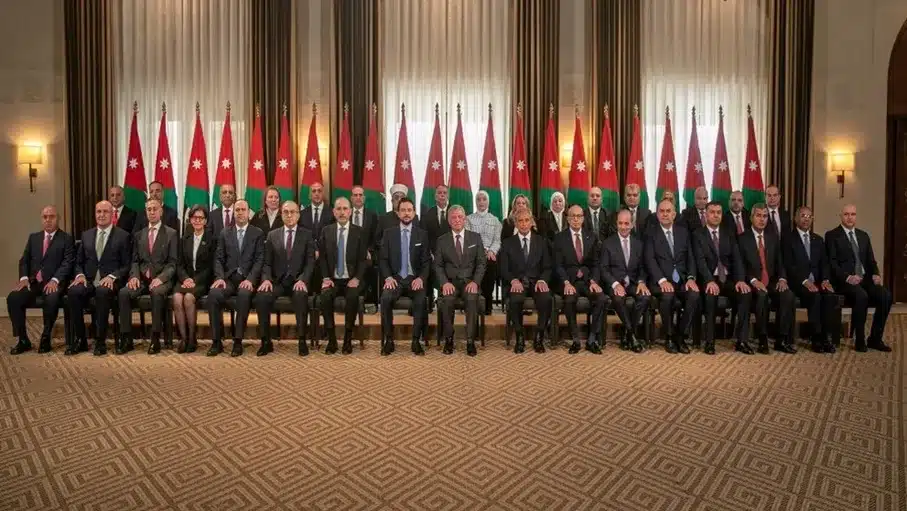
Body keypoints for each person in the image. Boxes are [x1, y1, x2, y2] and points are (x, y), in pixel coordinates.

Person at [8, 205, 75, 355]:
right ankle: (23, 339)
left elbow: (68, 263)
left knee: (51, 297)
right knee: (13, 298)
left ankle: (46, 336)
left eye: (52, 216)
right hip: (33, 283)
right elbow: (24, 261)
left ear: (58, 219)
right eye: (45, 217)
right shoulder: (34, 238)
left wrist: (55, 280)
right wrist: (24, 278)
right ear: (41, 219)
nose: (48, 220)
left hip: (55, 283)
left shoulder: (66, 239)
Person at [825, 204, 892, 352]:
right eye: (846, 214)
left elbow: (871, 261)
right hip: (844, 281)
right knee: (861, 296)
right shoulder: (832, 235)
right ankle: (860, 339)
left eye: (853, 214)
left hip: (864, 279)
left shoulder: (863, 236)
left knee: (885, 295)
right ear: (841, 216)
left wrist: (876, 274)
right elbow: (832, 264)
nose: (850, 217)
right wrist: (848, 277)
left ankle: (875, 339)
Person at [67, 201, 131, 356]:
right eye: (98, 212)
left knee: (102, 292)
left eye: (105, 212)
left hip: (111, 282)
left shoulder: (123, 236)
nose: (101, 215)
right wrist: (80, 275)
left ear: (112, 214)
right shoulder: (86, 235)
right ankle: (80, 339)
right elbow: (78, 262)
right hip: (88, 280)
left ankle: (100, 341)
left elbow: (127, 265)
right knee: (74, 292)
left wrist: (112, 276)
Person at [117, 198, 179, 355]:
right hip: (142, 279)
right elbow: (135, 261)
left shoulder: (171, 234)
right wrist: (134, 276)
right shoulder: (139, 235)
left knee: (157, 293)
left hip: (162, 279)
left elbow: (172, 264)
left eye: (154, 209)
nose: (151, 212)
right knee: (124, 293)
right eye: (149, 209)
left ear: (161, 211)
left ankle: (155, 338)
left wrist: (161, 278)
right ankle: (126, 338)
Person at [254, 200, 315, 356]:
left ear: (298, 215)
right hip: (277, 282)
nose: (289, 215)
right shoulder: (272, 235)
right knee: (262, 297)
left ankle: (302, 340)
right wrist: (266, 279)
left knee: (301, 296)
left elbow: (310, 262)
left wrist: (303, 280)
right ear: (281, 215)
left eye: (292, 212)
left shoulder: (307, 235)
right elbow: (267, 263)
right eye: (286, 212)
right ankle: (265, 341)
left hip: (297, 281)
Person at [692, 201, 753, 355]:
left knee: (745, 294)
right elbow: (700, 262)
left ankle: (742, 341)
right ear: (706, 215)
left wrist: (740, 280)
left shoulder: (729, 233)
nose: (716, 215)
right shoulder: (698, 234)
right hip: (709, 278)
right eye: (712, 212)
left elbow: (737, 259)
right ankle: (710, 342)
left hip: (728, 278)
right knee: (710, 295)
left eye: (718, 212)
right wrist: (709, 281)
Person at [736, 204, 797, 354]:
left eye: (765, 216)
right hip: (752, 282)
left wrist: (782, 278)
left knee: (788, 295)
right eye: (758, 216)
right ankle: (762, 338)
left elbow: (780, 262)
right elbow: (739, 265)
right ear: (751, 218)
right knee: (762, 296)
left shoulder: (773, 237)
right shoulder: (742, 238)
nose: (762, 219)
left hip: (770, 281)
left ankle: (781, 339)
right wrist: (752, 280)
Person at [207, 199, 265, 357]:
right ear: (233, 213)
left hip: (247, 279)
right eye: (237, 210)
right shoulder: (225, 232)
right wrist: (219, 277)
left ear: (248, 213)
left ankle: (238, 341)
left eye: (243, 210)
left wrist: (251, 280)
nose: (240, 213)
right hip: (229, 279)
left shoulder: (257, 233)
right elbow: (218, 258)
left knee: (244, 295)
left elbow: (259, 259)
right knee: (213, 294)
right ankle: (216, 341)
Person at [644, 199, 700, 354]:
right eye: (662, 211)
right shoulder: (650, 233)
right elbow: (649, 260)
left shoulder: (683, 232)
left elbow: (690, 257)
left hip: (681, 280)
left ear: (674, 214)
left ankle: (680, 336)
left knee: (694, 294)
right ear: (657, 214)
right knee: (667, 296)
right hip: (660, 281)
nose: (665, 214)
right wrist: (662, 280)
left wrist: (690, 278)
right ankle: (669, 336)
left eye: (668, 211)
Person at [783, 206, 841, 353]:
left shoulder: (818, 240)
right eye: (803, 216)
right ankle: (816, 338)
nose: (806, 219)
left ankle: (826, 338)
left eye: (809, 217)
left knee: (829, 296)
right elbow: (789, 265)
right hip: (798, 283)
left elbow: (825, 264)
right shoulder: (788, 239)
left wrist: (825, 280)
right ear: (796, 218)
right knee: (815, 297)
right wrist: (804, 281)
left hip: (817, 282)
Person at [379, 198, 431, 355]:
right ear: (398, 213)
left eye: (409, 210)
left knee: (421, 300)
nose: (406, 213)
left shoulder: (422, 235)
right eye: (403, 210)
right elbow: (383, 259)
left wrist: (421, 278)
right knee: (385, 299)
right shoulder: (389, 233)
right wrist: (388, 277)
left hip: (414, 279)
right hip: (395, 279)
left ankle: (416, 340)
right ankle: (389, 340)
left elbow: (426, 262)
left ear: (414, 213)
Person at [553, 205, 606, 354]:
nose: (576, 219)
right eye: (573, 216)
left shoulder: (591, 236)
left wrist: (594, 281)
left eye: (579, 216)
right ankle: (575, 339)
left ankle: (591, 339)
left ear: (583, 218)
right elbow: (558, 265)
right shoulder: (559, 238)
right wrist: (566, 282)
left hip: (588, 281)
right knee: (569, 299)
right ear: (568, 219)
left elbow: (596, 263)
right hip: (569, 281)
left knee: (601, 298)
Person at [319, 197, 369, 354]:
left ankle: (348, 338)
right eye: (339, 209)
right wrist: (326, 278)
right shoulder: (326, 231)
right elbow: (322, 258)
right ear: (334, 212)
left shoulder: (359, 232)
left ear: (350, 211)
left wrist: (357, 278)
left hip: (351, 279)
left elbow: (363, 260)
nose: (342, 212)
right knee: (325, 296)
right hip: (332, 279)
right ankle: (332, 339)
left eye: (345, 209)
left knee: (352, 296)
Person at [498, 208, 552, 354]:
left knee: (546, 298)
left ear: (531, 222)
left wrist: (542, 280)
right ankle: (519, 336)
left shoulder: (541, 241)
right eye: (520, 221)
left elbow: (547, 267)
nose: (523, 224)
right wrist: (513, 280)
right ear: (516, 223)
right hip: (517, 282)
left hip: (536, 282)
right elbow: (503, 269)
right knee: (515, 299)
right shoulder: (508, 243)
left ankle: (539, 336)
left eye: (527, 220)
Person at [435, 205, 487, 356]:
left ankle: (470, 341)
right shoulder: (442, 240)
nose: (457, 220)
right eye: (453, 217)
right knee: (447, 300)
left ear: (465, 219)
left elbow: (481, 263)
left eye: (460, 217)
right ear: (449, 221)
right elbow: (437, 265)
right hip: (450, 283)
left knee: (471, 298)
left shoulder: (475, 237)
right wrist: (444, 283)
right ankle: (449, 339)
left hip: (469, 282)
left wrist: (475, 282)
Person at [600, 210, 651, 352]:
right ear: (616, 224)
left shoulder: (638, 244)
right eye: (620, 223)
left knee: (645, 297)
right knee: (618, 298)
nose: (623, 227)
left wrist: (641, 282)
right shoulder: (608, 243)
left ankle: (628, 332)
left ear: (632, 224)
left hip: (633, 283)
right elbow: (603, 269)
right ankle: (632, 336)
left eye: (626, 223)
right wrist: (615, 284)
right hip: (615, 284)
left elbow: (643, 267)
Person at [172, 205, 215, 354]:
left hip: (202, 280)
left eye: (200, 218)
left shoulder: (211, 239)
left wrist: (194, 280)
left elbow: (211, 267)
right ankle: (183, 339)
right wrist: (185, 279)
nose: (197, 220)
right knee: (177, 298)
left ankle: (192, 338)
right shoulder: (184, 239)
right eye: (194, 218)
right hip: (185, 279)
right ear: (190, 220)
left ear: (205, 221)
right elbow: (179, 264)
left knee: (189, 298)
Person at [466, 190, 502, 315]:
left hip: (489, 255)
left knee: (491, 265)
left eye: (484, 199)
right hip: (473, 254)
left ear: (488, 202)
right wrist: (480, 251)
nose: (481, 202)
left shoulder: (495, 220)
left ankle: (487, 306)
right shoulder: (468, 219)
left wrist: (491, 251)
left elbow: (497, 240)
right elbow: (467, 239)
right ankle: (473, 305)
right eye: (478, 199)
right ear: (475, 202)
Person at [350, 185, 380, 309]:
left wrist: (368, 250)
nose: (358, 197)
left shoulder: (372, 215)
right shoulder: (345, 213)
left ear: (364, 197)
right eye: (355, 195)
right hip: (348, 254)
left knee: (370, 266)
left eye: (360, 195)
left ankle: (369, 302)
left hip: (367, 254)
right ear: (351, 198)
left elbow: (375, 237)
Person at [423, 185, 452, 254]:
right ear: (435, 196)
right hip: (434, 253)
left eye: (444, 193)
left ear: (448, 196)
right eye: (439, 193)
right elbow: (425, 236)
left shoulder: (454, 212)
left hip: (452, 253)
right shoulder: (428, 214)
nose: (442, 195)